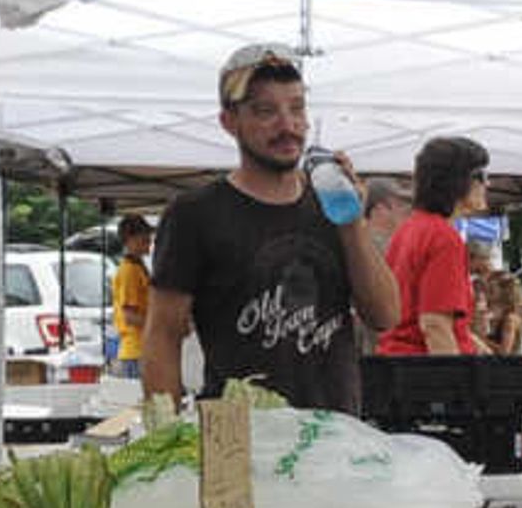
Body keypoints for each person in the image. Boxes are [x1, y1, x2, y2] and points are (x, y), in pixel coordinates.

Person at [142, 47, 399, 417]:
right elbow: (164, 333)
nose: (287, 125)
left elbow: (386, 316)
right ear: (229, 121)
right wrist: (164, 434)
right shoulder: (194, 214)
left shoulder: (333, 206)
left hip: (333, 433)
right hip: (238, 439)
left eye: (297, 109)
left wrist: (352, 225)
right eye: (266, 111)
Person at [375, 134, 487, 357]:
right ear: (459, 180)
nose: (487, 184)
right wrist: (458, 388)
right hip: (425, 376)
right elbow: (434, 324)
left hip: (397, 365)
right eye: (481, 176)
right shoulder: (444, 238)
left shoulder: (408, 229)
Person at [109, 214, 153, 379]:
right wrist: (160, 327)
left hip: (142, 349)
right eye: (145, 239)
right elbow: (130, 316)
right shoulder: (129, 271)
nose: (149, 242)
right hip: (136, 351)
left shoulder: (138, 267)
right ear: (130, 240)